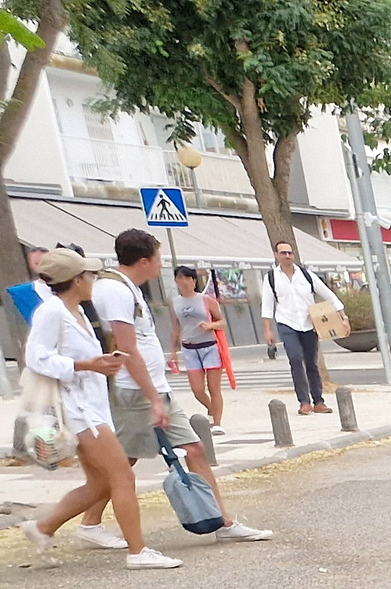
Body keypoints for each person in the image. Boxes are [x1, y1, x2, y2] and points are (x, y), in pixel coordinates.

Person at [78, 229, 271, 547]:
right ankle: (79, 522)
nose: (161, 264)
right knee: (123, 461)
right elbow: (127, 349)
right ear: (144, 261)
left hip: (152, 389)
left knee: (192, 449)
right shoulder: (114, 291)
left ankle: (221, 520)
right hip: (134, 392)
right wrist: (153, 396)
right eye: (158, 258)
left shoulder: (127, 288)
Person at [16, 251, 182, 568]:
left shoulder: (74, 311)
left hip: (91, 407)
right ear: (77, 280)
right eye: (90, 276)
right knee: (121, 476)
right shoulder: (53, 312)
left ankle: (43, 527)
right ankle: (138, 551)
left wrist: (100, 364)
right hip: (78, 411)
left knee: (100, 483)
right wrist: (86, 365)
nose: (93, 281)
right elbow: (37, 358)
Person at [260, 239, 339, 414]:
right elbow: (267, 305)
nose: (287, 256)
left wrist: (342, 315)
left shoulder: (306, 275)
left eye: (290, 253)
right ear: (276, 255)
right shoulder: (271, 278)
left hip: (309, 324)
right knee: (295, 359)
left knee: (311, 362)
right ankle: (304, 401)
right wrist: (267, 330)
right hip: (286, 323)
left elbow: (328, 294)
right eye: (283, 253)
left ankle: (318, 400)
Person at [170, 265, 226, 432]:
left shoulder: (205, 300)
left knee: (213, 387)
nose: (184, 282)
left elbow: (222, 322)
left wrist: (209, 325)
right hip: (189, 347)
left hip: (209, 346)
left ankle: (216, 422)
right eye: (180, 279)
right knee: (197, 389)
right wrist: (173, 351)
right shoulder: (174, 303)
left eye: (188, 278)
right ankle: (211, 408)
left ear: (194, 281)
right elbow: (175, 328)